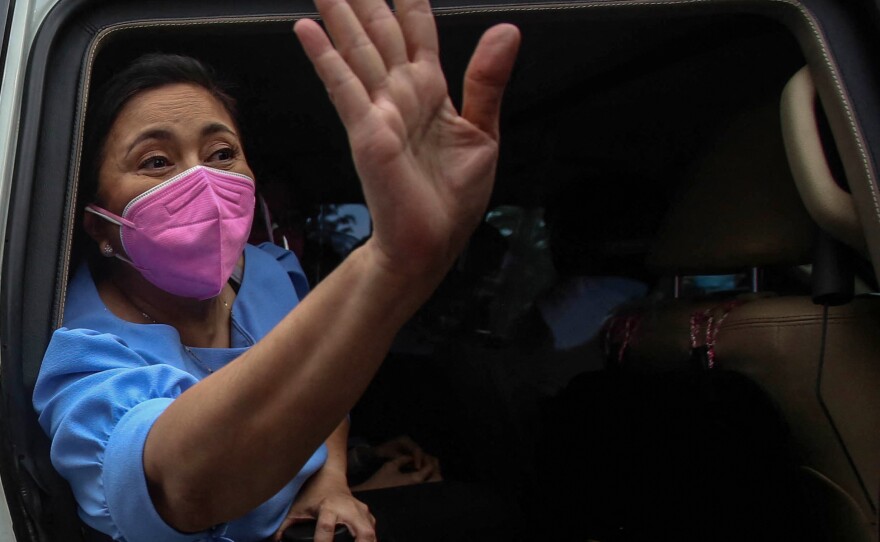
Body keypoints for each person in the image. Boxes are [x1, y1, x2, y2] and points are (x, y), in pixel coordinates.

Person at [31, 1, 520, 540]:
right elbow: (183, 483)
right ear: (100, 225)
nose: (203, 182)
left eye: (221, 153)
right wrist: (390, 264)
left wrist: (332, 479)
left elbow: (322, 378)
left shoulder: (269, 274)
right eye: (155, 162)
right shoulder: (82, 351)